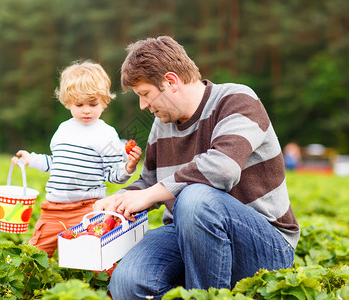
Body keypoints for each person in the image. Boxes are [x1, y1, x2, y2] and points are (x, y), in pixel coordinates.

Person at [93, 36, 300, 299]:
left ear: (171, 81)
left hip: (264, 244)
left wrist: (149, 194)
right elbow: (150, 182)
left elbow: (223, 168)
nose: (142, 106)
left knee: (195, 197)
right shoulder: (161, 124)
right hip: (187, 234)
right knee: (129, 283)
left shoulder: (237, 100)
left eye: (145, 94)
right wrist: (120, 199)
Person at [12, 60, 142, 257]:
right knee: (36, 254)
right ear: (67, 102)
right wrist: (31, 159)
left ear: (104, 101)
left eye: (93, 103)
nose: (86, 110)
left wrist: (128, 167)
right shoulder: (63, 129)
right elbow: (55, 163)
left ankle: (104, 286)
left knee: (99, 254)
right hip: (53, 209)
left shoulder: (106, 134)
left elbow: (112, 174)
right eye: (79, 104)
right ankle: (29, 283)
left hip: (88, 209)